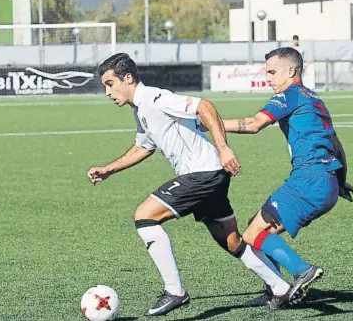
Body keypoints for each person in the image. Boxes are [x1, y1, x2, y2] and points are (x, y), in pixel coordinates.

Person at [86, 53, 297, 316]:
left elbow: (204, 106)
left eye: (109, 83)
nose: (107, 92)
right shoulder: (141, 109)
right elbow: (143, 147)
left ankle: (175, 291)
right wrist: (108, 169)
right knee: (231, 241)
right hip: (210, 175)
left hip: (202, 173)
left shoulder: (153, 97)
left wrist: (224, 149)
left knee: (144, 217)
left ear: (127, 78)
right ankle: (281, 288)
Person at [219, 47, 353, 308]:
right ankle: (274, 289)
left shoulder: (290, 95)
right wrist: (340, 181)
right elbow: (336, 146)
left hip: (308, 179)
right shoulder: (314, 98)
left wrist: (210, 122)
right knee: (256, 225)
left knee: (250, 234)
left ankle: (302, 270)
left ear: (291, 71)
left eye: (272, 72)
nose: (267, 78)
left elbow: (254, 124)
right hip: (325, 182)